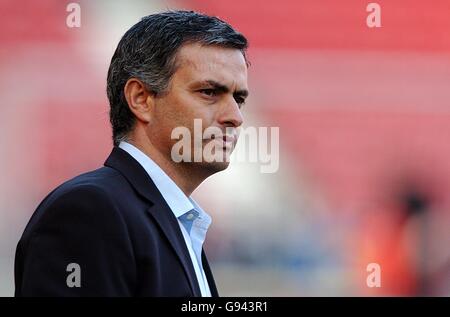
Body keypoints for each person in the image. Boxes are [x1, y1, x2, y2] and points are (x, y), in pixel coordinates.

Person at [14, 10, 249, 297]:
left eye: (239, 98)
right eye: (209, 92)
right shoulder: (90, 211)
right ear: (140, 99)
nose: (235, 116)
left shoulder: (176, 220)